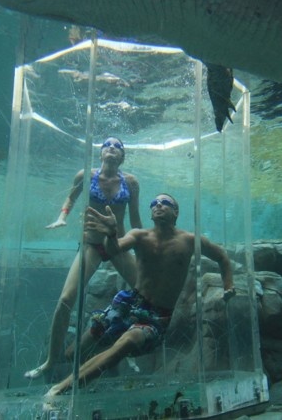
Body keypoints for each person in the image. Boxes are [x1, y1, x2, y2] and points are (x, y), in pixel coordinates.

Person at [45, 193, 236, 396]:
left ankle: (60, 389)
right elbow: (112, 250)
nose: (158, 205)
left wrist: (228, 285)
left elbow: (222, 257)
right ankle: (84, 375)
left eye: (165, 203)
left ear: (176, 212)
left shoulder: (190, 240)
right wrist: (111, 234)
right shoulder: (139, 235)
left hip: (157, 315)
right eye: (154, 203)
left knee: (129, 341)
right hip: (128, 303)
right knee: (74, 353)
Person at [25, 137, 142, 380]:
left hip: (118, 245)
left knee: (143, 296)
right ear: (101, 153)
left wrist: (143, 247)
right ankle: (50, 360)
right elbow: (71, 198)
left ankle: (127, 349)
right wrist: (62, 217)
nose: (112, 147)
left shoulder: (130, 182)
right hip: (92, 245)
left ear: (122, 156)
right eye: (107, 144)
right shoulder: (85, 176)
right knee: (65, 300)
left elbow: (135, 217)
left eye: (118, 146)